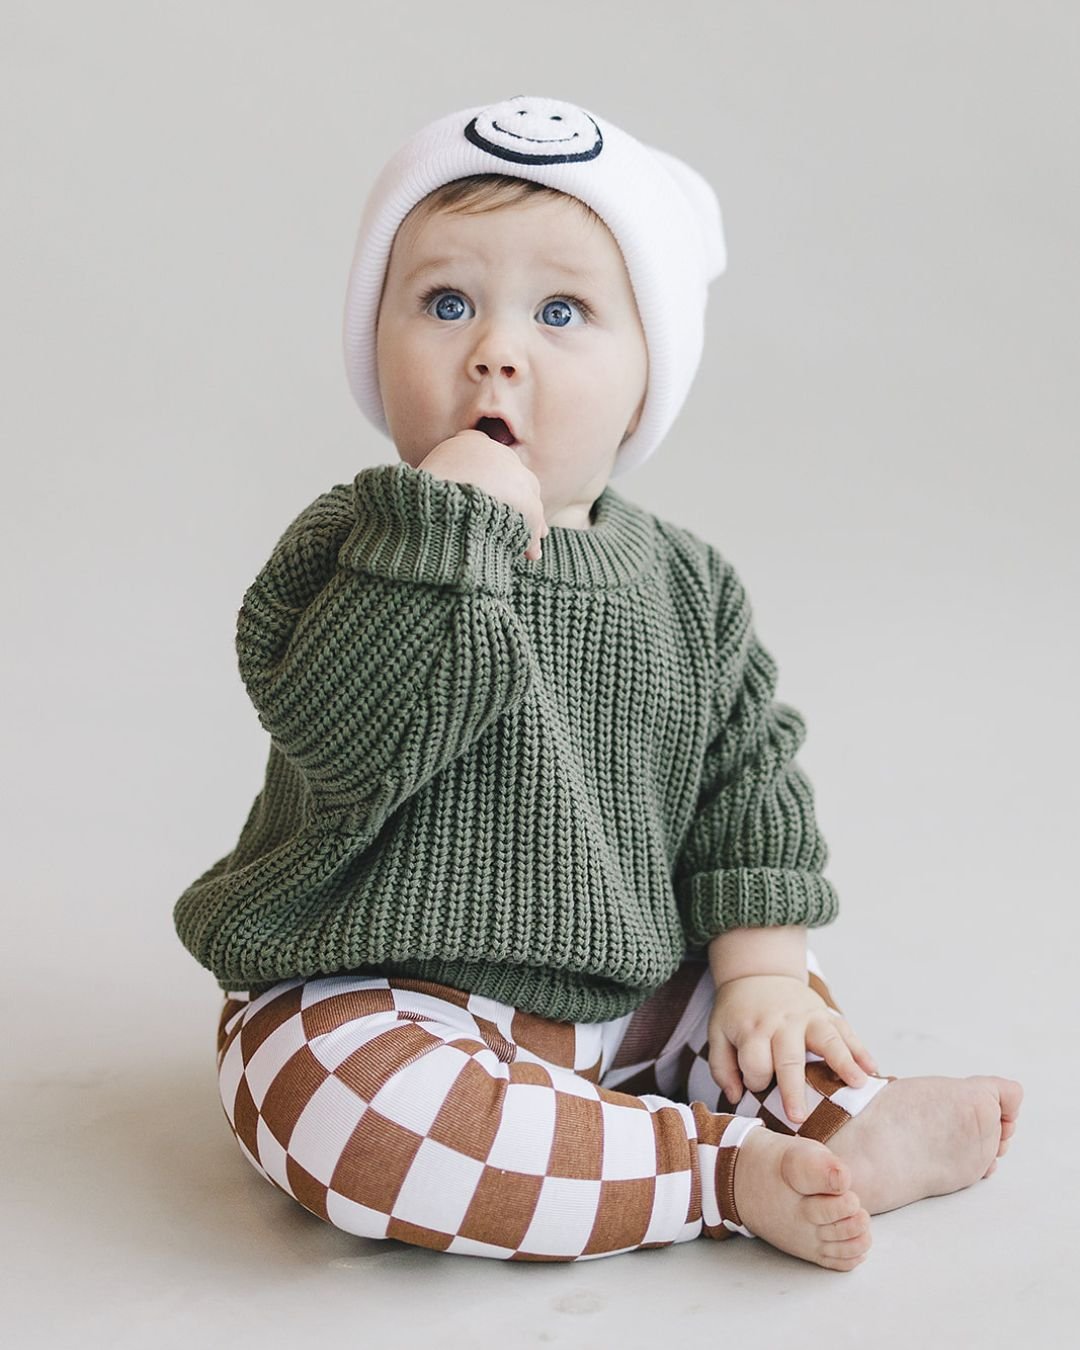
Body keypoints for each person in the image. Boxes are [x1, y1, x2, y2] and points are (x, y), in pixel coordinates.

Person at [173, 94, 1022, 1268]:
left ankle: (838, 1117)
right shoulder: (359, 542)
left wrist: (765, 975)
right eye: (445, 302)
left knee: (763, 985)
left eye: (562, 311)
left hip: (616, 991)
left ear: (645, 382)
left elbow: (746, 789)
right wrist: (449, 532)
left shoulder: (685, 583)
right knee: (337, 1113)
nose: (494, 348)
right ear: (376, 346)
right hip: (376, 990)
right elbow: (345, 737)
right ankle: (718, 1170)